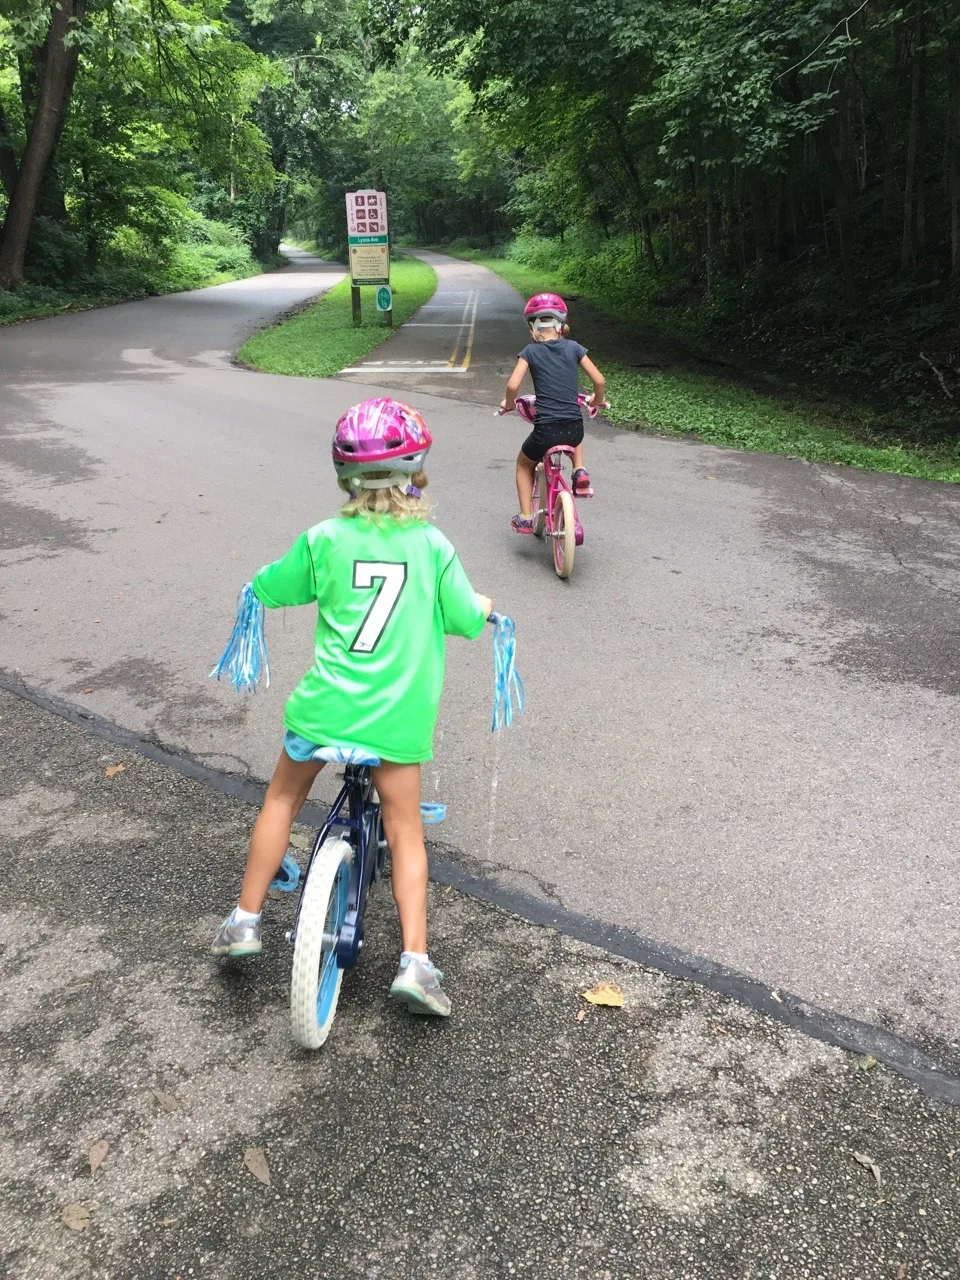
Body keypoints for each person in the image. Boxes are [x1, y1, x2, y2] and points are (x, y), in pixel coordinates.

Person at [210, 397, 493, 1017]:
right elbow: (468, 619)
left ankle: (244, 921)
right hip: (396, 722)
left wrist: (255, 585)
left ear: (343, 474)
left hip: (322, 713)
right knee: (406, 829)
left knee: (282, 799)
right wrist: (487, 607)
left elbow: (272, 587)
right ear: (416, 470)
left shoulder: (322, 539)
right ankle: (415, 962)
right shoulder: (432, 545)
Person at [500, 292, 606, 534]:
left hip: (545, 430)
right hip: (573, 428)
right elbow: (599, 380)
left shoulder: (530, 352)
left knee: (523, 464)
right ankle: (579, 471)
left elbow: (513, 386)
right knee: (573, 428)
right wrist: (597, 400)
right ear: (561, 326)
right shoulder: (574, 348)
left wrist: (508, 404)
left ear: (533, 328)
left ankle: (526, 517)